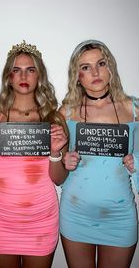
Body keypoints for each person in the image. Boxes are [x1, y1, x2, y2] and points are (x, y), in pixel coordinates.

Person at [0, 40, 68, 268]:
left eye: (30, 70)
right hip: (0, 219)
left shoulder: (54, 120)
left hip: (42, 219)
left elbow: (60, 178)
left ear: (39, 76)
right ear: (8, 77)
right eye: (16, 70)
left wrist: (55, 152)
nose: (23, 76)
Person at [59, 39, 139, 268]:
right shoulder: (66, 112)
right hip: (76, 213)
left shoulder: (134, 110)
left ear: (110, 67)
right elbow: (54, 164)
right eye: (85, 67)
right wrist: (65, 160)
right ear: (77, 75)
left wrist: (137, 163)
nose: (95, 72)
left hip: (120, 216)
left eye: (101, 63)